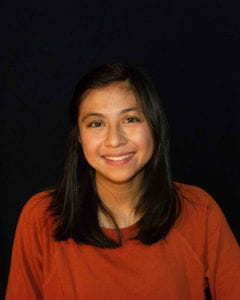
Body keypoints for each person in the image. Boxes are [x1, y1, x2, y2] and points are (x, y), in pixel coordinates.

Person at [5, 63, 240, 299]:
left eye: (130, 119)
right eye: (96, 124)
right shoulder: (42, 217)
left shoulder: (198, 210)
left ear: (154, 126)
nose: (115, 140)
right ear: (79, 137)